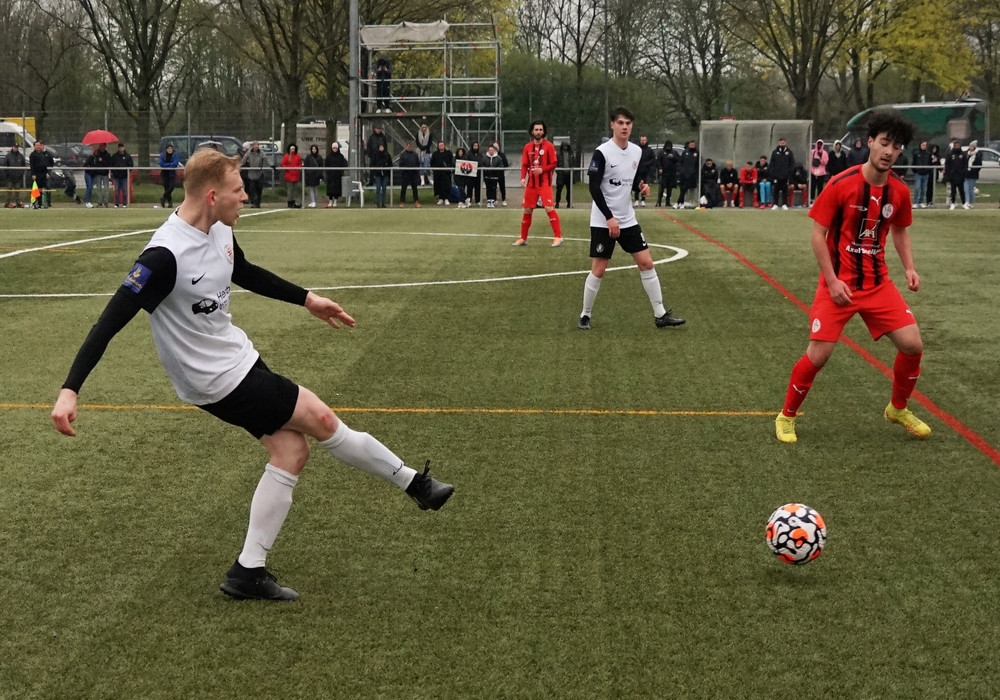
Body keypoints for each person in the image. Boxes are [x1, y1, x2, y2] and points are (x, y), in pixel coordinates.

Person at [50, 148, 454, 601]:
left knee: (290, 451)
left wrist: (308, 299)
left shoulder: (220, 227)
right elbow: (109, 321)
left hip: (236, 357)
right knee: (321, 419)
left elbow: (242, 270)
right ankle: (415, 483)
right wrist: (70, 390)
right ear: (212, 195)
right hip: (213, 378)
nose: (246, 196)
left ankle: (247, 571)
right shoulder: (164, 256)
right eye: (238, 189)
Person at [774, 111, 929, 444]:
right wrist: (832, 281)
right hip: (838, 284)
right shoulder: (840, 183)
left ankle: (898, 408)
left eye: (896, 147)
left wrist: (910, 268)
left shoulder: (899, 191)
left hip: (877, 284)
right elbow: (818, 235)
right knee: (819, 355)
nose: (889, 151)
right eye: (884, 143)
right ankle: (786, 416)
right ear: (870, 142)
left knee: (913, 345)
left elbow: (900, 230)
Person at [578, 107, 685, 332]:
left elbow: (633, 178)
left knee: (646, 263)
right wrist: (609, 218)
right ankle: (585, 314)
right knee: (599, 269)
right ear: (612, 125)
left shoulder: (636, 151)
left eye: (628, 123)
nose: (624, 127)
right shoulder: (602, 153)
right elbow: (594, 187)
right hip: (603, 220)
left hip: (627, 219)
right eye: (620, 123)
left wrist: (641, 187)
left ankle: (660, 314)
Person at [512, 120, 562, 247]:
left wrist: (542, 170)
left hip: (544, 183)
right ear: (532, 131)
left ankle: (558, 237)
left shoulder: (549, 146)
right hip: (531, 184)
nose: (538, 132)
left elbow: (554, 163)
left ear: (543, 131)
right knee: (527, 209)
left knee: (548, 207)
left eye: (540, 130)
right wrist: (523, 178)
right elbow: (524, 165)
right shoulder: (527, 147)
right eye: (536, 130)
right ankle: (523, 238)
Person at [240, 142, 268, 208]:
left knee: (259, 189)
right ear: (253, 146)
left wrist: (272, 165)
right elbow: (244, 159)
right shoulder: (249, 153)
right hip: (251, 174)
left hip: (259, 174)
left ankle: (258, 203)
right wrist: (239, 166)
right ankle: (254, 202)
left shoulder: (262, 153)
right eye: (255, 145)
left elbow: (266, 159)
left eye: (257, 145)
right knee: (252, 189)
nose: (256, 147)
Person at [769, 137, 794, 210]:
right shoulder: (775, 152)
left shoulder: (789, 152)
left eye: (783, 142)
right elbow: (772, 163)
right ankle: (775, 204)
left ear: (785, 143)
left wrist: (789, 173)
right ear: (779, 143)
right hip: (776, 175)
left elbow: (792, 163)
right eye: (781, 143)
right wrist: (773, 173)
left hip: (785, 176)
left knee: (785, 190)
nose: (782, 144)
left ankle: (784, 204)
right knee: (776, 190)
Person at [29, 141, 55, 208]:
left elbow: (46, 165)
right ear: (34, 146)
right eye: (36, 145)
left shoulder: (43, 154)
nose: (38, 147)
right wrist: (33, 174)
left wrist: (47, 172)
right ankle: (34, 203)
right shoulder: (32, 155)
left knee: (42, 189)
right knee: (35, 189)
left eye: (39, 145)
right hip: (36, 174)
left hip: (43, 174)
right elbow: (32, 165)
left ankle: (41, 203)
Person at [942, 140, 966, 210]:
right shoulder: (950, 154)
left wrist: (963, 172)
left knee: (961, 190)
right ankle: (952, 203)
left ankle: (964, 203)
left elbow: (965, 164)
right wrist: (949, 173)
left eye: (958, 145)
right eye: (956, 146)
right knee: (953, 191)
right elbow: (947, 164)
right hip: (953, 176)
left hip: (960, 175)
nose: (957, 147)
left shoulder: (963, 154)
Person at [676, 140, 699, 209]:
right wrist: (681, 170)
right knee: (682, 189)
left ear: (695, 145)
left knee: (687, 189)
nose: (692, 146)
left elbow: (698, 164)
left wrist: (695, 173)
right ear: (689, 145)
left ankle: (680, 202)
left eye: (693, 145)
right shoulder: (685, 152)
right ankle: (681, 203)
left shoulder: (697, 153)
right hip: (684, 174)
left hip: (692, 175)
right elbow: (680, 162)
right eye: (691, 145)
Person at [324, 142, 347, 208]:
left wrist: (341, 172)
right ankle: (330, 201)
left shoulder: (341, 156)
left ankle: (335, 201)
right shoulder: (329, 156)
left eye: (336, 148)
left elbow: (344, 164)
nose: (335, 149)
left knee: (337, 189)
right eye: (333, 148)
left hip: (338, 176)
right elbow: (326, 165)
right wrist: (328, 172)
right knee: (330, 189)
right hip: (330, 176)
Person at [398, 141, 421, 207]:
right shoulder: (403, 155)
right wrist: (404, 171)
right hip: (405, 174)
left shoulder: (415, 154)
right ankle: (402, 202)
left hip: (413, 174)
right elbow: (401, 164)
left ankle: (416, 202)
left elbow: (418, 164)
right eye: (408, 146)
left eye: (410, 146)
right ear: (406, 147)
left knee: (414, 188)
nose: (409, 147)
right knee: (403, 188)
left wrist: (416, 172)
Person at [110, 143, 133, 208]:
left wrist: (127, 172)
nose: (120, 148)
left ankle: (124, 203)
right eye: (119, 147)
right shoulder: (115, 156)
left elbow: (131, 165)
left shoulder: (127, 156)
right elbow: (112, 164)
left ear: (123, 148)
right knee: (116, 190)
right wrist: (113, 172)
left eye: (121, 147)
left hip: (124, 176)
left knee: (125, 190)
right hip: (116, 176)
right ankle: (116, 203)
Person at [635, 136, 656, 207]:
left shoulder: (649, 150)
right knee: (637, 184)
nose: (642, 141)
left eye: (644, 140)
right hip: (637, 170)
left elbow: (653, 159)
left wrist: (647, 164)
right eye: (641, 140)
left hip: (646, 171)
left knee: (644, 185)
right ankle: (636, 200)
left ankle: (643, 200)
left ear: (646, 141)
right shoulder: (637, 149)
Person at [656, 140, 678, 207]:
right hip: (663, 173)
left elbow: (678, 159)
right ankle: (659, 201)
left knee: (670, 188)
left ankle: (667, 202)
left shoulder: (674, 152)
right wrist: (660, 168)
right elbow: (658, 161)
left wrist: (673, 157)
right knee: (661, 187)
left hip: (671, 173)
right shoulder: (661, 152)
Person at [481, 143, 504, 207]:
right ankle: (489, 201)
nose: (491, 151)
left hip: (495, 176)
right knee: (488, 188)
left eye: (492, 150)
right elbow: (482, 165)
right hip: (487, 176)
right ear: (488, 150)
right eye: (490, 150)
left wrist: (495, 170)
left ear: (494, 150)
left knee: (494, 188)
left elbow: (501, 166)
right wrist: (486, 170)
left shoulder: (498, 158)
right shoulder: (484, 158)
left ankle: (493, 201)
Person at [4, 142, 26, 208]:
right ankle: (7, 203)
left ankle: (18, 203)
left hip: (18, 177)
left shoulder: (21, 156)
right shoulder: (8, 156)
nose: (16, 148)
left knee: (17, 191)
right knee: (9, 190)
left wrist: (21, 174)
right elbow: (5, 166)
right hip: (10, 178)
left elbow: (23, 166)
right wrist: (8, 174)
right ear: (12, 147)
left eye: (17, 147)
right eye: (14, 147)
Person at [371, 142, 392, 208]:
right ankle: (378, 202)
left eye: (382, 147)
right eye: (380, 147)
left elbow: (390, 164)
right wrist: (375, 170)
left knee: (384, 188)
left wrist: (387, 170)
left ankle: (383, 202)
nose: (381, 148)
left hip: (385, 174)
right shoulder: (375, 155)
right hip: (378, 174)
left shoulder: (387, 155)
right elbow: (372, 163)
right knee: (378, 187)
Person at [280, 143, 302, 208]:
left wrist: (298, 168)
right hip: (289, 176)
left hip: (296, 175)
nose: (293, 150)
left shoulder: (297, 156)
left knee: (294, 190)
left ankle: (293, 202)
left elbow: (300, 164)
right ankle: (289, 202)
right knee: (290, 190)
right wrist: (287, 168)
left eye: (294, 149)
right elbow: (283, 164)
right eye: (292, 149)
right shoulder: (286, 156)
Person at [910, 141, 931, 208]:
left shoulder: (928, 154)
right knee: (917, 188)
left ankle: (921, 202)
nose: (924, 146)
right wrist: (915, 171)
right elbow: (913, 163)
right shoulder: (916, 153)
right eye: (922, 145)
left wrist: (928, 171)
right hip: (918, 174)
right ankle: (915, 202)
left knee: (923, 189)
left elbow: (930, 163)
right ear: (920, 145)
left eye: (925, 145)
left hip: (925, 174)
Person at [159, 144, 179, 208]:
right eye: (168, 148)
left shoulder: (175, 154)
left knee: (171, 187)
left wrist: (167, 165)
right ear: (166, 149)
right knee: (166, 188)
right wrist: (170, 164)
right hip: (165, 173)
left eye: (171, 148)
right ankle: (170, 203)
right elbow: (161, 163)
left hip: (172, 173)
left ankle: (163, 197)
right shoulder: (162, 155)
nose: (170, 150)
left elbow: (175, 163)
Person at [554, 142, 574, 208]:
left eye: (566, 146)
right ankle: (557, 203)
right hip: (561, 175)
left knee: (569, 190)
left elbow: (573, 163)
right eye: (564, 146)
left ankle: (569, 203)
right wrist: (558, 172)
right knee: (559, 190)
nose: (565, 147)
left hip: (569, 174)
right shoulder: (558, 155)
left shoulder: (571, 154)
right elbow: (555, 164)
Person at [964, 140, 982, 209]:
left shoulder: (978, 154)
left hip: (973, 175)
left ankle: (971, 202)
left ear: (974, 147)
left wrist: (974, 171)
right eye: (970, 146)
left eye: (971, 146)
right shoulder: (967, 154)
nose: (970, 148)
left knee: (971, 189)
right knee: (966, 188)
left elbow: (979, 165)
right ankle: (967, 201)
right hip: (966, 174)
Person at [492, 141, 509, 205]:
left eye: (496, 147)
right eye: (494, 147)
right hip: (493, 174)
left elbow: (506, 164)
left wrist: (501, 167)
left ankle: (503, 199)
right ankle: (494, 199)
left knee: (502, 187)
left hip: (500, 173)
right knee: (493, 187)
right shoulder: (491, 154)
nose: (495, 149)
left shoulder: (502, 155)